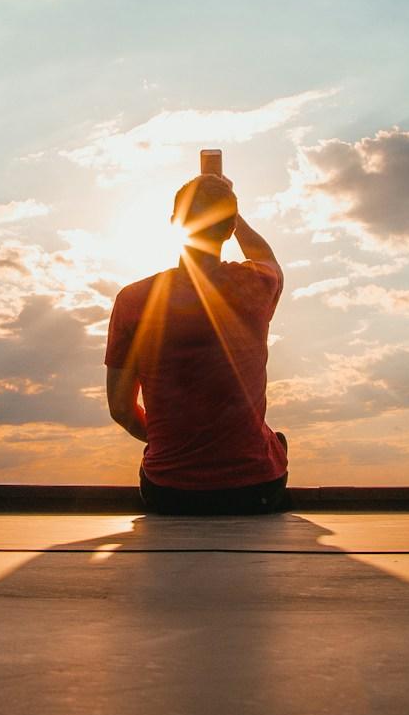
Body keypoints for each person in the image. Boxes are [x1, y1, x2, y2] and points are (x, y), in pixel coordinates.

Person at [104, 172, 289, 514]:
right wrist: (235, 212)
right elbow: (268, 258)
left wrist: (176, 446)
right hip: (254, 490)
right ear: (231, 228)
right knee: (275, 443)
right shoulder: (256, 286)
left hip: (169, 492)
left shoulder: (132, 300)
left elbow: (121, 409)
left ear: (176, 224)